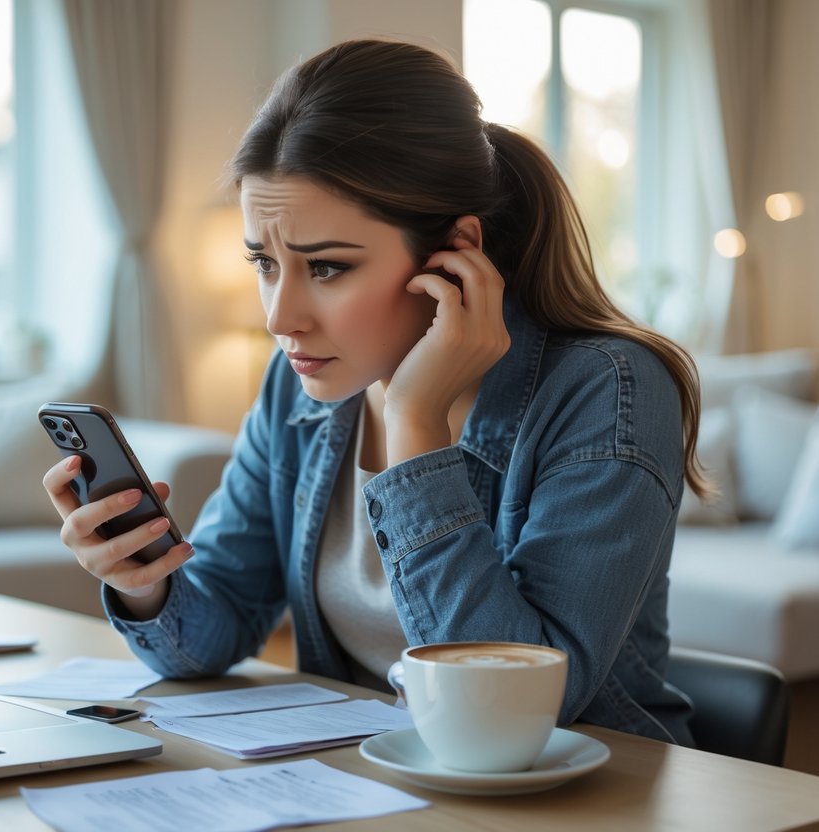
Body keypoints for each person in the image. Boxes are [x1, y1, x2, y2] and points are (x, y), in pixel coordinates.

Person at [42, 39, 707, 744]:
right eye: (264, 263)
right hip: (374, 781)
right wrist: (141, 577)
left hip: (587, 794)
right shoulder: (297, 386)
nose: (278, 318)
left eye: (326, 268)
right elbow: (212, 631)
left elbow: (516, 705)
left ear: (455, 254)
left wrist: (415, 425)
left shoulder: (606, 389)